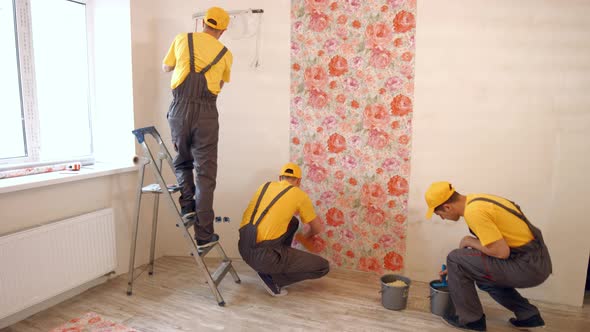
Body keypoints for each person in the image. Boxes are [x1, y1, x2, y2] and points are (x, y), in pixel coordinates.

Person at [425, 181, 552, 331]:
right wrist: (457, 269)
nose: (442, 218)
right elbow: (496, 247)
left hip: (527, 266)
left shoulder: (474, 212)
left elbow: (500, 252)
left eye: (439, 214)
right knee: (483, 278)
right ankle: (529, 316)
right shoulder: (478, 200)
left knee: (455, 257)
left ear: (447, 206)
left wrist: (468, 241)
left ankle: (472, 321)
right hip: (536, 262)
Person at [162, 7, 233, 247]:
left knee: (182, 161)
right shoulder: (225, 53)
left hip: (179, 110)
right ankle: (204, 236)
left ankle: (187, 207)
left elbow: (166, 67)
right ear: (223, 29)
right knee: (205, 174)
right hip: (206, 114)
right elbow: (220, 85)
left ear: (203, 22)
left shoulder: (182, 39)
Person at [238, 162, 330, 296]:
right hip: (264, 256)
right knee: (323, 267)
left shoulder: (265, 186)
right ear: (299, 180)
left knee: (293, 221)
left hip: (244, 248)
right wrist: (307, 236)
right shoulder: (299, 195)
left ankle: (275, 262)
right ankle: (273, 279)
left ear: (280, 178)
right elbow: (317, 228)